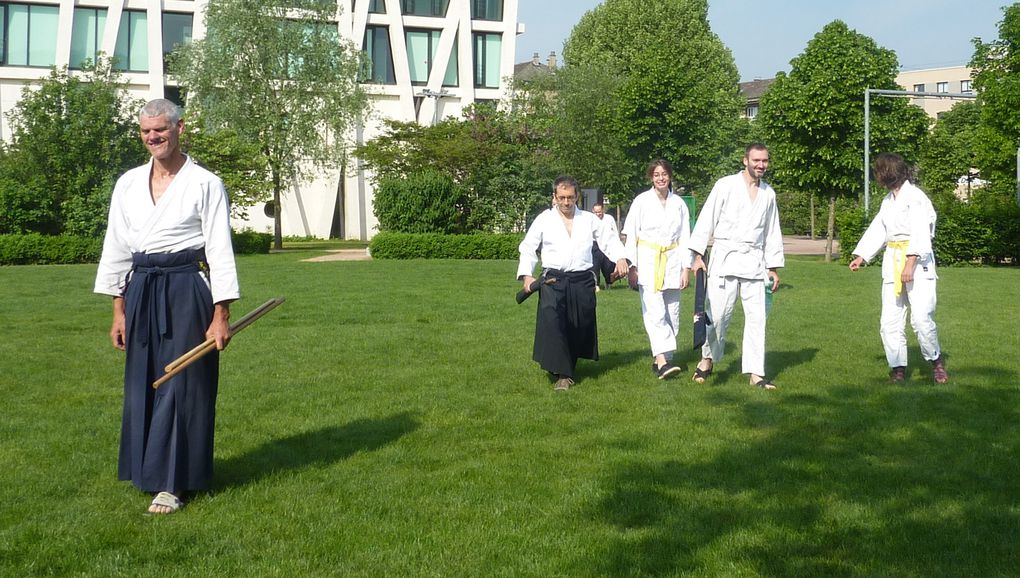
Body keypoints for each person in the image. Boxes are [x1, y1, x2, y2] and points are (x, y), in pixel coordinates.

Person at [94, 99, 240, 514]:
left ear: (179, 129)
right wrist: (118, 311)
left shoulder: (205, 183)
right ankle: (147, 471)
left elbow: (219, 250)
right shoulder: (128, 183)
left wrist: (220, 314)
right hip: (141, 287)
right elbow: (117, 248)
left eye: (160, 129)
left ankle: (173, 483)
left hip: (185, 288)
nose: (153, 137)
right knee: (143, 381)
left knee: (182, 383)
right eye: (146, 131)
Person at [518, 176, 629, 391]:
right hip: (552, 280)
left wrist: (621, 257)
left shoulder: (588, 219)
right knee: (555, 324)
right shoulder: (544, 219)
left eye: (570, 197)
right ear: (554, 197)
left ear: (577, 196)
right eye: (562, 198)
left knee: (578, 326)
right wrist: (526, 275)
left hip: (582, 281)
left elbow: (609, 239)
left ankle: (563, 363)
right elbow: (528, 246)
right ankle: (564, 375)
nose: (566, 202)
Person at [688, 143, 784, 390]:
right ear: (745, 161)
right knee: (718, 316)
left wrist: (773, 267)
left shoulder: (768, 194)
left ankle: (756, 372)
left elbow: (772, 231)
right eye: (756, 160)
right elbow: (707, 218)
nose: (761, 165)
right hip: (725, 258)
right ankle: (707, 359)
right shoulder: (725, 185)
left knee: (757, 319)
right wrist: (697, 255)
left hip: (754, 263)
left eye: (765, 161)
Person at [849, 152, 948, 384]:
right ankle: (898, 368)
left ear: (886, 173)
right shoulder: (888, 200)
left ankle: (936, 362)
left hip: (917, 261)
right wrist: (862, 255)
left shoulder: (915, 197)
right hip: (893, 258)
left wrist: (910, 262)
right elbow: (880, 229)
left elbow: (921, 231)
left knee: (922, 317)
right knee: (890, 320)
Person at [622, 159, 692, 379]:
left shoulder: (679, 203)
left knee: (672, 312)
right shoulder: (641, 201)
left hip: (672, 260)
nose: (660, 178)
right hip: (648, 261)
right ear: (651, 178)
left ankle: (662, 357)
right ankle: (662, 362)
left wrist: (685, 268)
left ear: (670, 176)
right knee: (655, 312)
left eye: (664, 174)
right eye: (656, 174)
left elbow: (685, 237)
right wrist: (632, 265)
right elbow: (631, 234)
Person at [591, 202, 621, 290]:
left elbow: (615, 232)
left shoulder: (609, 218)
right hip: (595, 244)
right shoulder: (591, 219)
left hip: (608, 244)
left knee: (608, 265)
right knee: (595, 265)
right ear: (593, 211)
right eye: (596, 212)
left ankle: (609, 282)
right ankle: (596, 284)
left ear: (603, 210)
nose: (598, 214)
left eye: (599, 212)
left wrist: (617, 243)